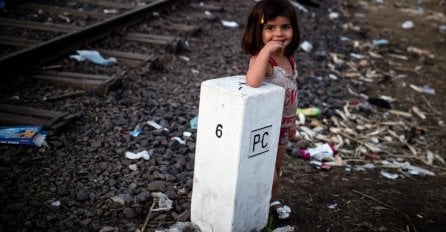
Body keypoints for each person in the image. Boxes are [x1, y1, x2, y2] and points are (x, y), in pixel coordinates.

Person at [241, 0, 300, 220]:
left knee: (277, 166)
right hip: (266, 126)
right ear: (259, 31)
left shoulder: (289, 58)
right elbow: (253, 81)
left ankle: (272, 201)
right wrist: (265, 50)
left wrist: (292, 121)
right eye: (270, 28)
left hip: (283, 124)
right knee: (267, 170)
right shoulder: (264, 60)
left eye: (285, 27)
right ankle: (256, 204)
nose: (279, 34)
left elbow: (292, 91)